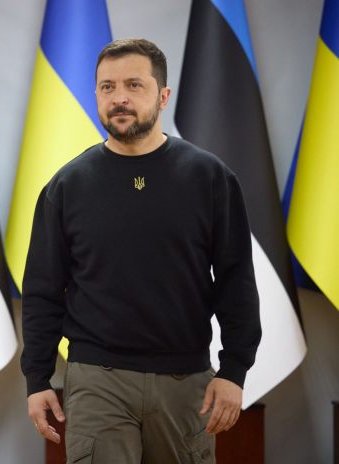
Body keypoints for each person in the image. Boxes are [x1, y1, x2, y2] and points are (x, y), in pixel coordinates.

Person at [21, 38, 261, 463]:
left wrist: (234, 371)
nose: (119, 98)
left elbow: (236, 280)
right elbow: (43, 291)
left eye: (134, 85)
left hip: (186, 381)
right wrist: (37, 379)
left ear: (163, 96)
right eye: (107, 87)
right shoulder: (67, 186)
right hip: (97, 381)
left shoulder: (209, 178)